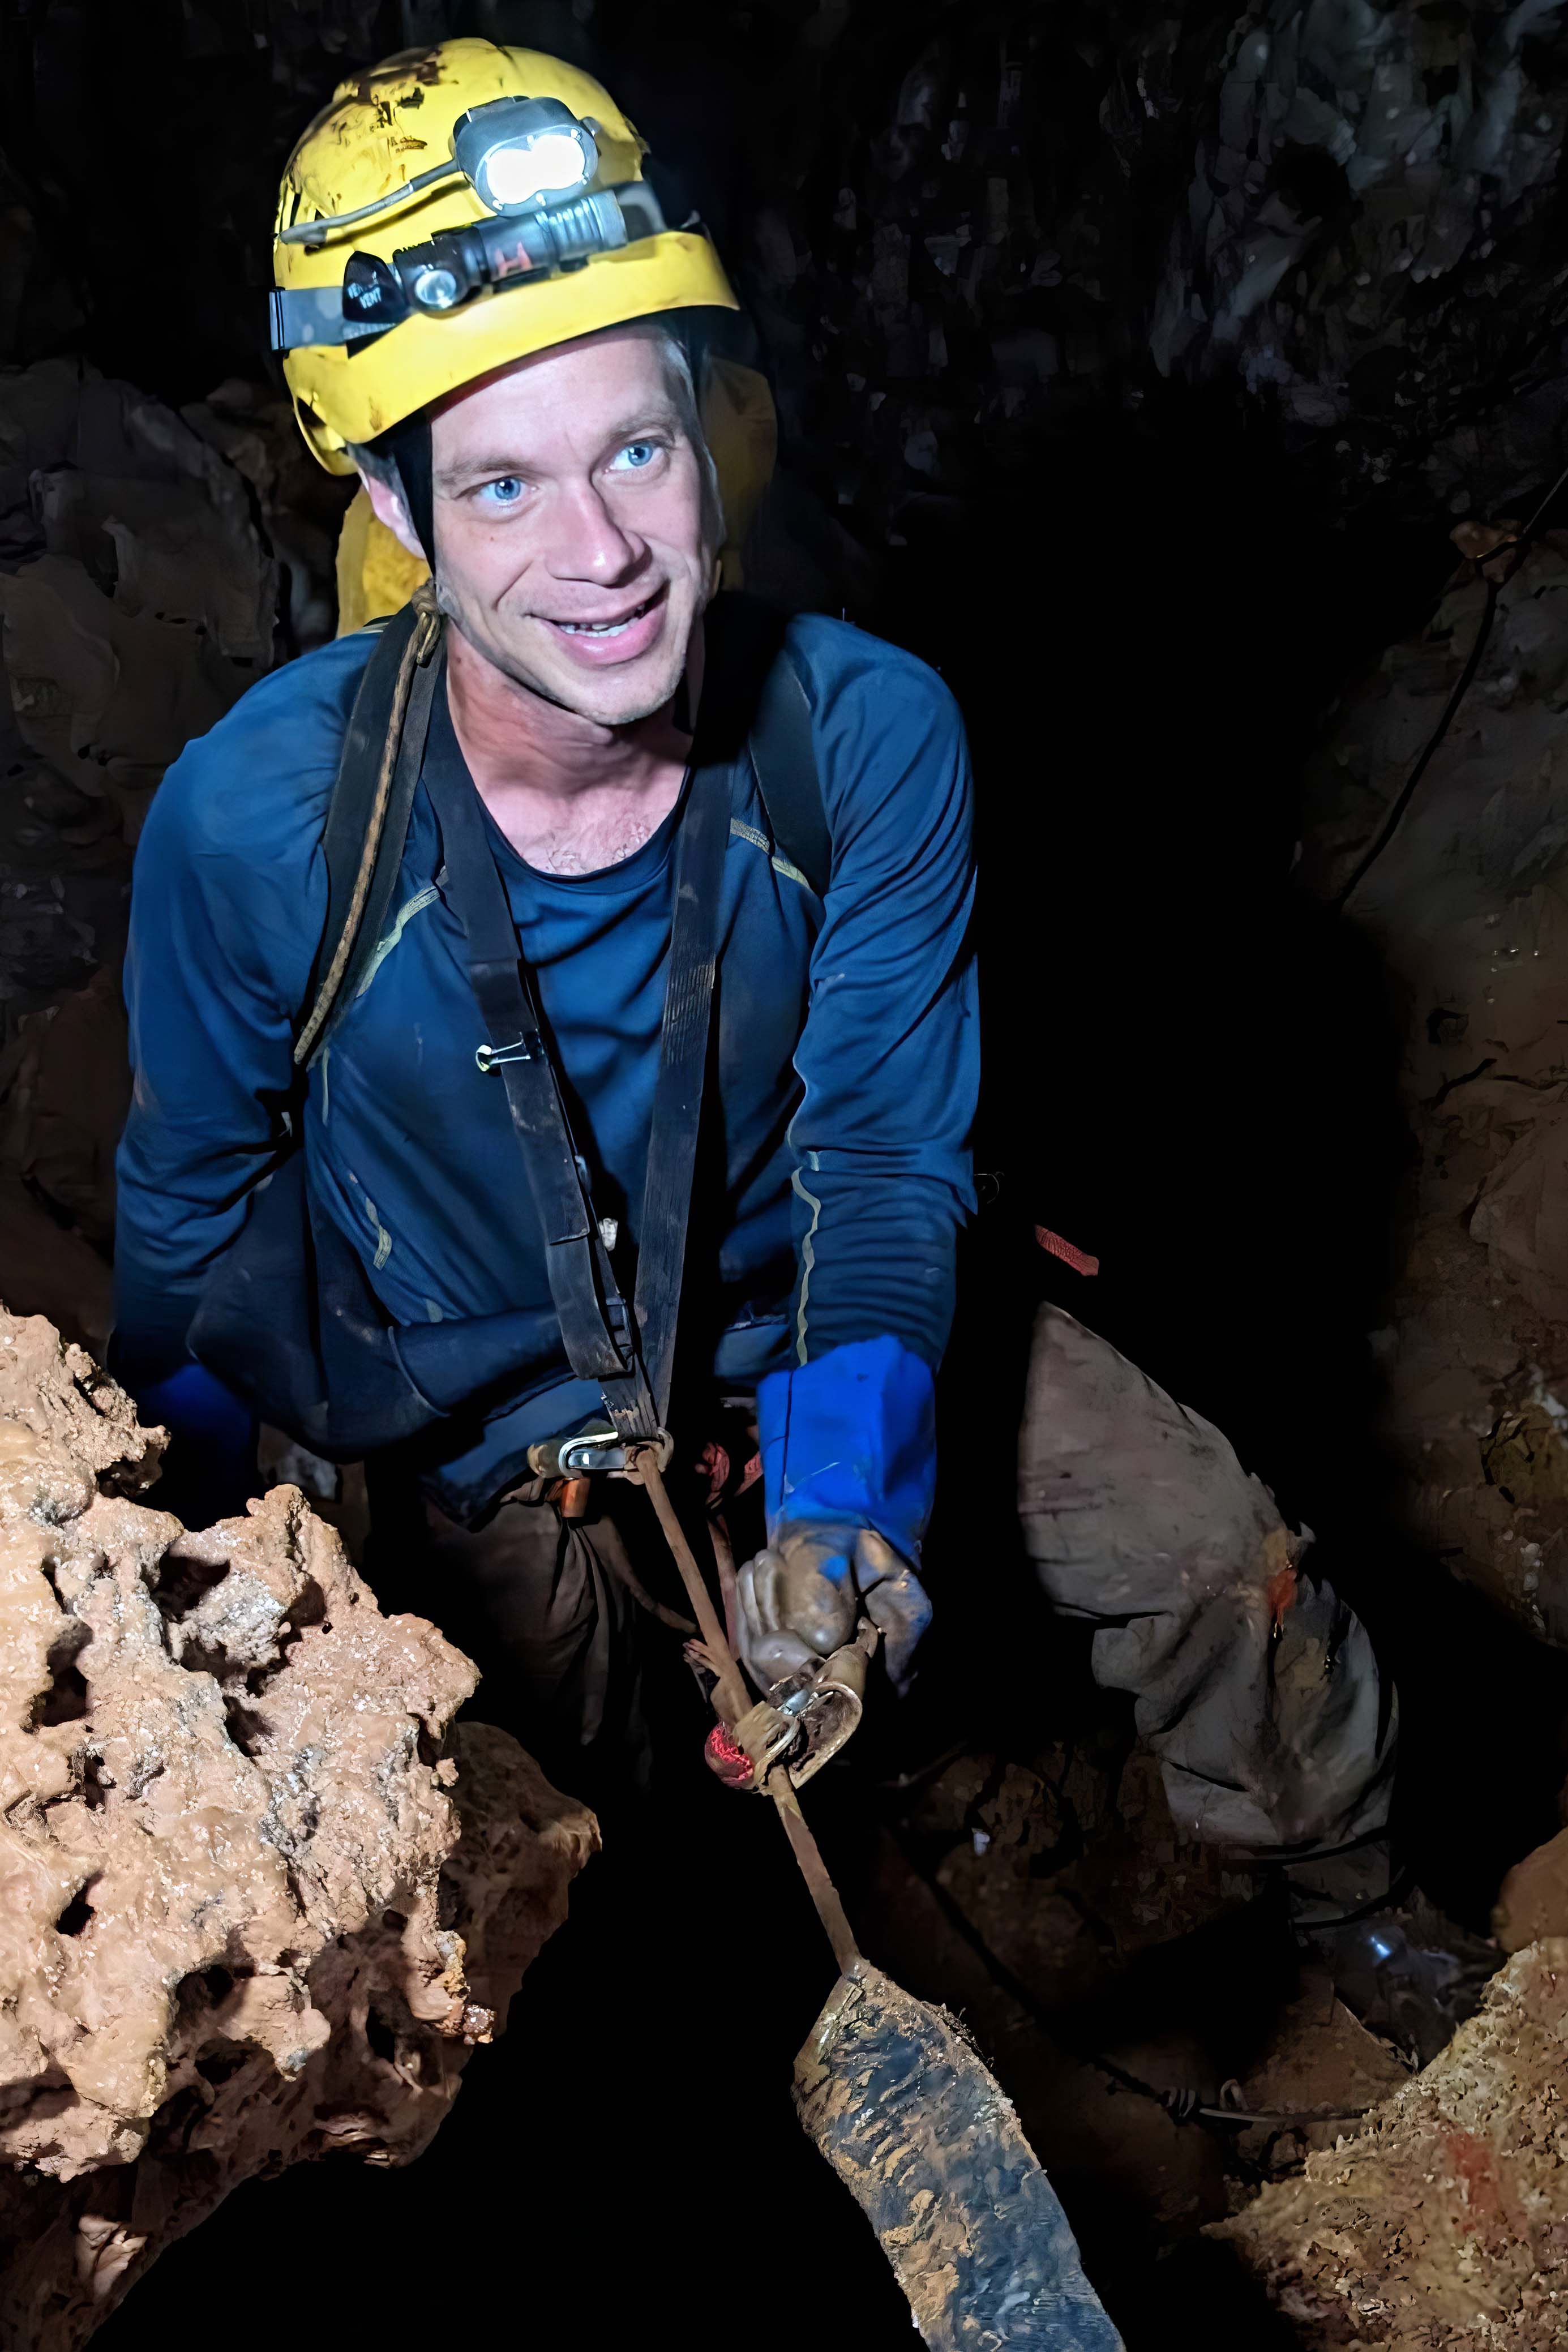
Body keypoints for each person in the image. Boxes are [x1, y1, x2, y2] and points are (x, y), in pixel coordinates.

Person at [112, 38, 975, 1792]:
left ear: (705, 423)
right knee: (561, 1818)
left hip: (794, 1338)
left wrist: (837, 1507)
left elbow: (880, 1160)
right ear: (392, 505)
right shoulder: (265, 824)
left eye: (636, 447)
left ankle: (1385, 1944)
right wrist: (164, 1594)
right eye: (503, 483)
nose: (604, 552)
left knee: (1214, 1576)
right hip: (469, 1420)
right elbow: (195, 1232)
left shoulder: (862, 736)